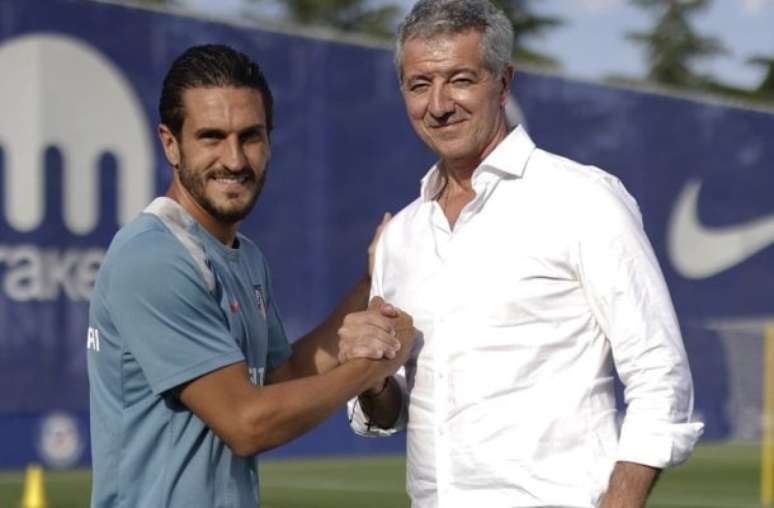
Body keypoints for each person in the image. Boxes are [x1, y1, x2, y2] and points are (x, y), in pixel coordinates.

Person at [345, 1, 705, 507]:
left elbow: (659, 372)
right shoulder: (400, 236)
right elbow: (394, 411)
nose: (439, 104)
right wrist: (370, 377)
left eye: (460, 80)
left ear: (503, 81)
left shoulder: (583, 199)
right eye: (419, 84)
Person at [86, 44, 414, 508]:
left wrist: (369, 282)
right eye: (212, 137)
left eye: (250, 136)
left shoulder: (244, 255)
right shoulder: (154, 257)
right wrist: (373, 368)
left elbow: (285, 376)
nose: (235, 160)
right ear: (170, 144)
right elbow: (246, 423)